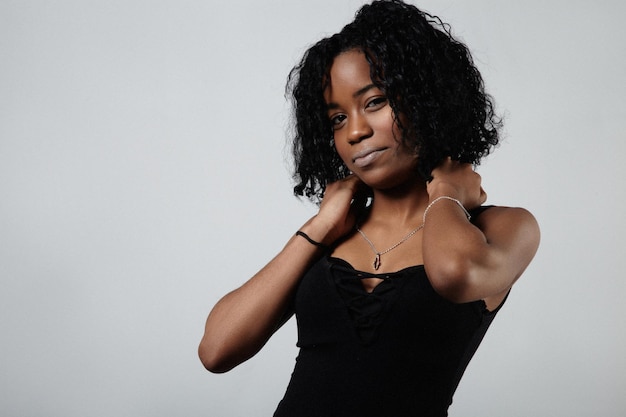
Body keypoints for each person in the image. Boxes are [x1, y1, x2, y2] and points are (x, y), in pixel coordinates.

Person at [198, 1, 540, 415]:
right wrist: (321, 224)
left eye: (374, 101)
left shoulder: (502, 227)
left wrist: (446, 192)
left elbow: (454, 274)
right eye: (338, 118)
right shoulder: (331, 235)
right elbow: (217, 350)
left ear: (425, 98)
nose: (356, 131)